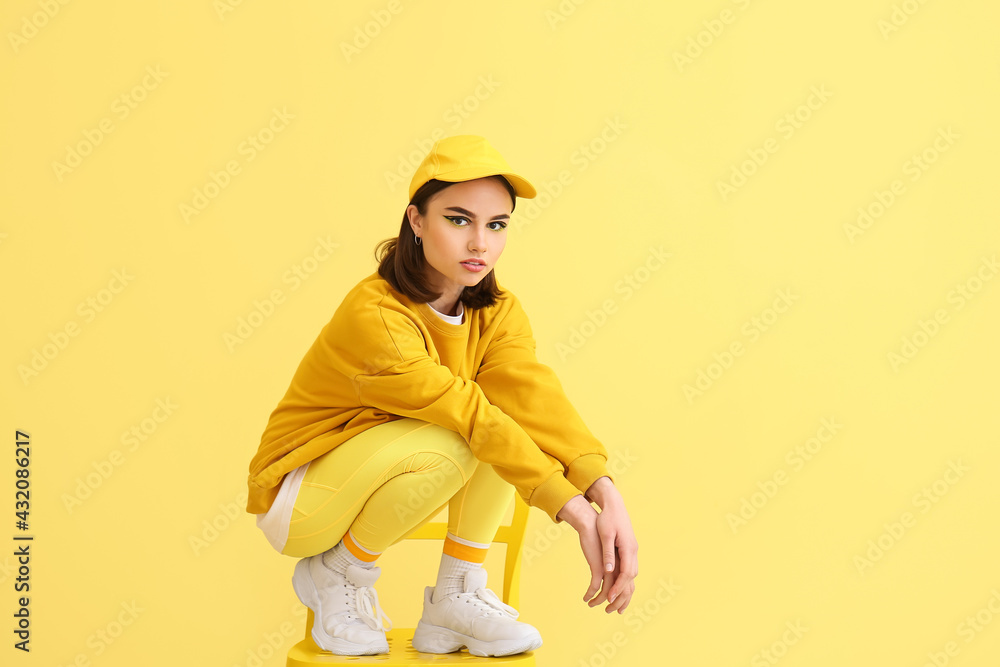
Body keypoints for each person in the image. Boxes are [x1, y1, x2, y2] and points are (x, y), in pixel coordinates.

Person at [245, 135, 638, 658]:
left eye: (496, 225)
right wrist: (574, 511)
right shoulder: (377, 314)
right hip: (304, 496)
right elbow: (466, 414)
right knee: (467, 433)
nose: (481, 243)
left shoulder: (497, 312)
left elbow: (534, 399)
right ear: (415, 220)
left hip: (394, 465)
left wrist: (604, 490)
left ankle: (456, 593)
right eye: (459, 220)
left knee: (502, 425)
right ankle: (336, 571)